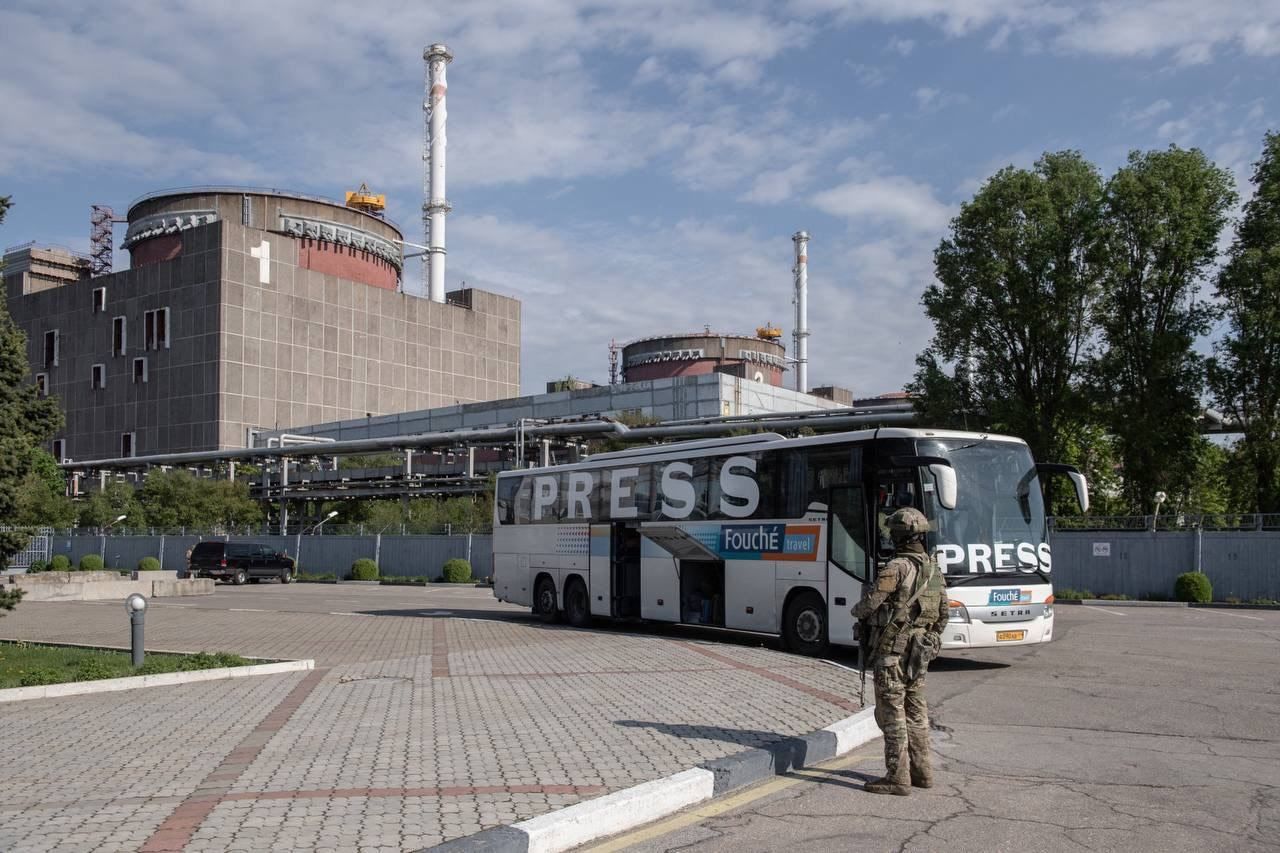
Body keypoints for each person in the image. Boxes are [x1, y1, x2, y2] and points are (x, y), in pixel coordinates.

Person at [853, 506, 948, 796]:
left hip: (893, 653)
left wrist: (857, 611)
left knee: (892, 713)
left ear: (897, 536)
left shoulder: (896, 567)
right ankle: (923, 773)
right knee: (916, 712)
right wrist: (927, 638)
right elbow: (943, 615)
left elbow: (868, 605)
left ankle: (897, 778)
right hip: (919, 654)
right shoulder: (933, 570)